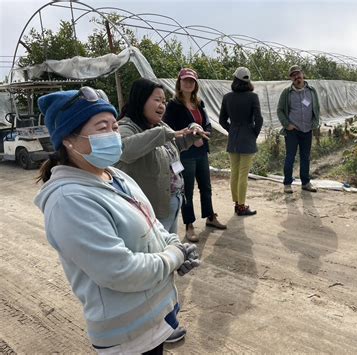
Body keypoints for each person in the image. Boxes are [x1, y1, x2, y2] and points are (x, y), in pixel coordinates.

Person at [33, 87, 200, 354]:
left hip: (154, 319)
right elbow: (119, 270)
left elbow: (151, 223)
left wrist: (173, 244)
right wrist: (173, 258)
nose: (113, 135)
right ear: (68, 140)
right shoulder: (69, 199)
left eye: (113, 126)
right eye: (102, 128)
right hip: (127, 336)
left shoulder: (113, 175)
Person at [116, 78, 208, 235]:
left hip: (172, 201)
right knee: (157, 252)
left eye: (164, 101)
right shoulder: (126, 127)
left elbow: (174, 147)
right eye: (157, 100)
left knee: (169, 246)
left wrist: (192, 135)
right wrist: (163, 133)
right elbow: (125, 150)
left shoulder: (158, 125)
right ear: (141, 100)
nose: (162, 106)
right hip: (151, 211)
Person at [164, 68, 226, 242]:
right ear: (179, 83)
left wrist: (203, 137)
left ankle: (210, 217)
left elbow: (207, 124)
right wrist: (190, 137)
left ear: (196, 84)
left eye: (192, 81)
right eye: (185, 80)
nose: (189, 83)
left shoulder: (199, 103)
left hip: (201, 150)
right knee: (187, 190)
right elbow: (170, 130)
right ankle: (189, 225)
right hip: (186, 153)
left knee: (206, 186)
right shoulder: (173, 106)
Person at [219, 66, 263, 216]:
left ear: (235, 79)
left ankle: (237, 204)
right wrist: (254, 134)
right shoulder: (252, 97)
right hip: (247, 137)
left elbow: (222, 120)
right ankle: (242, 206)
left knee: (235, 173)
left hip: (233, 138)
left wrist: (231, 130)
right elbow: (259, 119)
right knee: (243, 174)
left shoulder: (227, 97)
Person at [277, 65, 320, 194]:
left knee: (305, 157)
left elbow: (317, 108)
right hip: (292, 130)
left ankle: (305, 183)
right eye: (293, 75)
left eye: (298, 74)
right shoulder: (287, 92)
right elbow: (280, 110)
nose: (297, 77)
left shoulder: (311, 91)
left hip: (307, 129)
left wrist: (315, 122)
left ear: (303, 74)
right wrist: (287, 124)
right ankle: (287, 183)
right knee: (290, 156)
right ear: (291, 78)